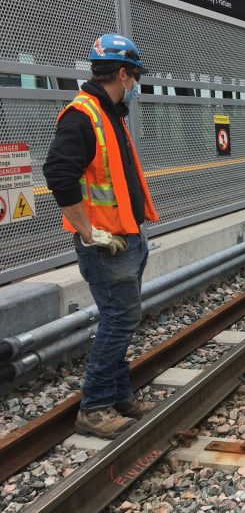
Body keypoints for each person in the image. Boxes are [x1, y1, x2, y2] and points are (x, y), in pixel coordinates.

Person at [43, 34, 158, 438]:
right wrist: (88, 231)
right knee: (118, 320)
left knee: (124, 319)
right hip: (107, 245)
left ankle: (119, 395)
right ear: (123, 72)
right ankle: (93, 408)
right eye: (134, 76)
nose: (135, 83)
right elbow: (58, 173)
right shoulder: (83, 114)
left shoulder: (108, 112)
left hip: (126, 238)